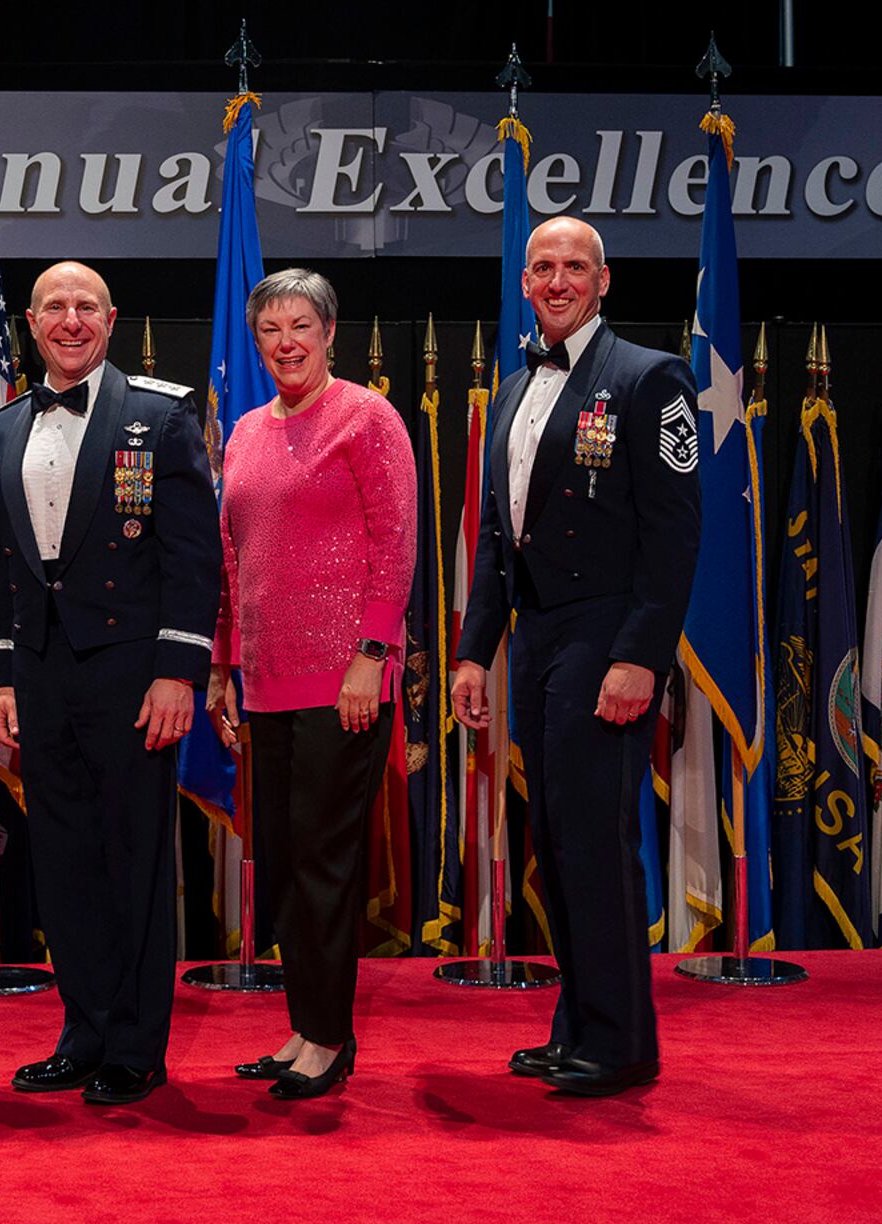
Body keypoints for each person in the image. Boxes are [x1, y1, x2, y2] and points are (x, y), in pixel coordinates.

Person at [452, 215, 701, 1096]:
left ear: (605, 280)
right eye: (542, 267)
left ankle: (623, 1040)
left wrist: (643, 655)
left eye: (574, 267)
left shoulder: (650, 377)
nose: (557, 281)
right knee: (555, 840)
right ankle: (580, 1024)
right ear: (525, 283)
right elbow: (496, 539)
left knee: (594, 838)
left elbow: (674, 537)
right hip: (540, 637)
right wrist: (474, 651)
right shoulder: (515, 388)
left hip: (608, 635)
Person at [0, 261, 221, 1105]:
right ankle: (81, 1029)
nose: (71, 320)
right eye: (56, 307)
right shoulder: (3, 427)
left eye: (87, 306)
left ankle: (134, 1044)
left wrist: (179, 671)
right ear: (32, 320)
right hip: (43, 676)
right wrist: (3, 677)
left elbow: (195, 558)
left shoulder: (159, 414)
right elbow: (3, 570)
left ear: (111, 318)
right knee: (63, 861)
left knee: (133, 858)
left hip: (131, 672)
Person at [205, 269, 416, 1100]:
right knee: (287, 863)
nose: (285, 342)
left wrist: (373, 650)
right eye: (270, 329)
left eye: (301, 325)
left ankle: (330, 1037)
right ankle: (302, 1025)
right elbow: (230, 559)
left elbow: (395, 542)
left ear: (330, 331)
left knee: (326, 862)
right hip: (264, 680)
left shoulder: (368, 415)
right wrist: (223, 661)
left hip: (344, 680)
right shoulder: (246, 431)